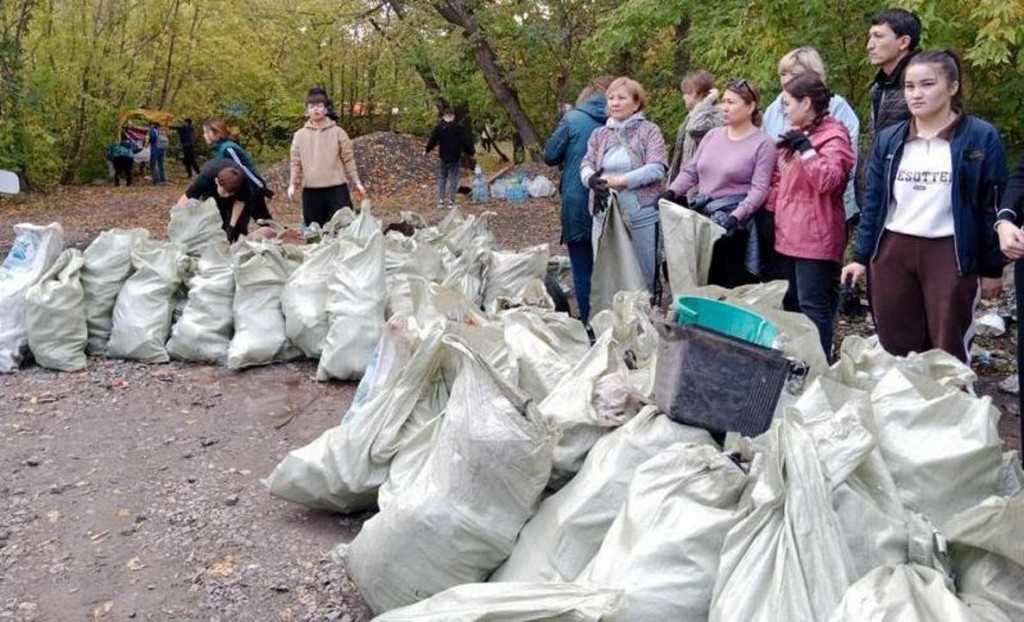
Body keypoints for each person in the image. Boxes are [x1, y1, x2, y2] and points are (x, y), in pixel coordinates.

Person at [841, 50, 1008, 363]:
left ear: (952, 87)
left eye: (927, 84)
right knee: (896, 346)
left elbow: (990, 205)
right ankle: (902, 409)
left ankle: (949, 408)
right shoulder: (890, 139)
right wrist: (860, 257)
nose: (916, 94)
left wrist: (992, 268)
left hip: (950, 252)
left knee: (948, 349)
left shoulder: (980, 137)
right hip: (893, 251)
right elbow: (874, 202)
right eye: (909, 86)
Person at [766, 74, 855, 360]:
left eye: (788, 104)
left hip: (816, 236)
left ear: (806, 103)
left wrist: (806, 149)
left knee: (813, 304)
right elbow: (782, 181)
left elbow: (828, 181)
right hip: (788, 232)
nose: (785, 110)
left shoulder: (834, 136)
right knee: (792, 302)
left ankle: (819, 362)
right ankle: (796, 360)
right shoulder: (797, 133)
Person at [662, 79, 777, 287]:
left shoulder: (763, 143)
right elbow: (692, 170)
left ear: (750, 107)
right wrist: (671, 192)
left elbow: (759, 189)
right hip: (703, 218)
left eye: (731, 102)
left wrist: (736, 217)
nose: (724, 107)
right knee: (702, 281)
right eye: (723, 101)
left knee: (728, 286)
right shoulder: (713, 135)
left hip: (735, 228)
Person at [581, 76, 668, 295]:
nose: (615, 103)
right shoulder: (599, 134)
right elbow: (586, 164)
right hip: (604, 215)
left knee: (641, 276)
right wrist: (591, 179)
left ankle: (644, 322)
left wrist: (621, 180)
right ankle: (611, 325)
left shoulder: (649, 131)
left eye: (621, 97)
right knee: (608, 274)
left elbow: (658, 167)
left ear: (636, 103)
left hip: (641, 216)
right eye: (611, 98)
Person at [543, 76, 610, 324]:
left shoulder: (573, 119)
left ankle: (589, 325)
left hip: (578, 201)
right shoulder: (625, 121)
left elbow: (549, 155)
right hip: (615, 203)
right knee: (614, 267)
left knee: (582, 269)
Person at [287, 89, 365, 227]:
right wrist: (292, 184)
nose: (315, 110)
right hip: (311, 191)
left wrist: (357, 182)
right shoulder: (299, 136)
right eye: (311, 107)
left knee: (345, 227)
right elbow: (295, 163)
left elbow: (348, 159)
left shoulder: (338, 132)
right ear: (307, 111)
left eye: (319, 106)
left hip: (336, 189)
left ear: (325, 109)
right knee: (315, 231)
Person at [202, 117, 273, 222]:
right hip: (237, 191)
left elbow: (243, 169)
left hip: (251, 189)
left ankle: (286, 236)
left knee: (263, 220)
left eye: (206, 132)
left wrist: (260, 187)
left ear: (216, 133)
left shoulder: (228, 148)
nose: (204, 135)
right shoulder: (219, 149)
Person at [666, 70, 722, 184]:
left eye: (688, 93)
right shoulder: (691, 115)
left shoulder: (717, 114)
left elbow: (695, 128)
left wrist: (708, 101)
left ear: (700, 93)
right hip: (683, 184)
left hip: (700, 186)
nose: (684, 97)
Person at [178, 159, 251, 241]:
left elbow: (240, 201)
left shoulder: (242, 182)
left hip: (236, 195)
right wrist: (177, 220)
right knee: (216, 219)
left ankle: (238, 247)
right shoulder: (205, 179)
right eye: (224, 192)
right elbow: (186, 199)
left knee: (240, 226)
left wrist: (231, 226)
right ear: (217, 181)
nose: (226, 196)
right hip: (212, 192)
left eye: (229, 194)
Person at [425, 108, 473, 209]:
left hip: (443, 157)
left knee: (442, 178)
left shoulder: (439, 127)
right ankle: (451, 201)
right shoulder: (458, 128)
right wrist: (470, 152)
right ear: (453, 116)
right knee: (453, 178)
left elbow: (433, 140)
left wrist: (427, 150)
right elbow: (464, 142)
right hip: (455, 157)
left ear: (443, 116)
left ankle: (441, 200)